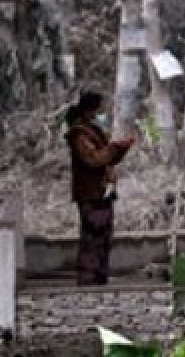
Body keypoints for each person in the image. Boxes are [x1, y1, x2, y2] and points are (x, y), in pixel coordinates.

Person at [65, 91, 134, 285]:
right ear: (91, 109)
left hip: (101, 191)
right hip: (90, 192)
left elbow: (105, 159)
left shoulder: (91, 130)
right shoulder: (79, 134)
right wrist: (115, 148)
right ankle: (89, 277)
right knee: (92, 236)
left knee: (103, 235)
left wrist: (119, 149)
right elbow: (93, 160)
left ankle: (99, 275)